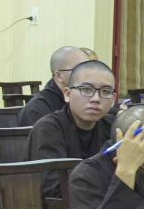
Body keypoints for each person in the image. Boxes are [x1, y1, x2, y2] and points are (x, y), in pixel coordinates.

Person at [27, 60, 116, 198]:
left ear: (113, 99)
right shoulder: (48, 129)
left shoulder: (113, 127)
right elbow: (52, 187)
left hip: (106, 203)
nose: (96, 98)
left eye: (105, 91)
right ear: (67, 94)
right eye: (86, 90)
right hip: (63, 207)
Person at [19, 46, 89, 126]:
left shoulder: (88, 100)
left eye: (89, 68)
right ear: (59, 76)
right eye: (79, 69)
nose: (88, 74)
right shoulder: (37, 109)